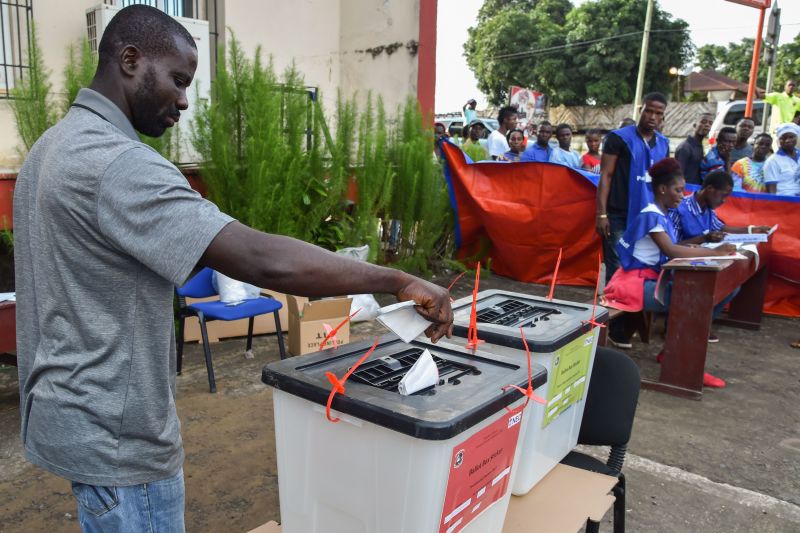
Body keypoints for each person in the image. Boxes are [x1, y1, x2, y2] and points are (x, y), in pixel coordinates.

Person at [12, 6, 454, 532]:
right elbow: (264, 260)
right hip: (119, 439)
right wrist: (396, 278)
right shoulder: (118, 163)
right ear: (130, 61)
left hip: (70, 411)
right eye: (178, 80)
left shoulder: (49, 148)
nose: (183, 99)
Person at [602, 158, 738, 387]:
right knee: (696, 302)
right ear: (662, 189)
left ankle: (675, 354)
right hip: (633, 285)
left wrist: (697, 248)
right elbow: (671, 249)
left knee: (700, 298)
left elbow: (675, 248)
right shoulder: (652, 215)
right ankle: (684, 364)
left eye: (682, 190)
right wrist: (719, 253)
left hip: (648, 280)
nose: (681, 195)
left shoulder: (662, 214)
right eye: (677, 190)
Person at [596, 92, 669, 348]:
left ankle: (626, 325)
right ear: (641, 109)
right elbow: (605, 176)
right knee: (617, 273)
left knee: (639, 273)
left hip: (646, 220)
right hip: (617, 216)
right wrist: (601, 213)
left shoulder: (663, 143)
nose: (653, 117)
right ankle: (613, 329)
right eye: (649, 111)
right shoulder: (619, 138)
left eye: (659, 113)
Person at [669, 170, 771, 246]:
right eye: (723, 195)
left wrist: (752, 230)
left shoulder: (708, 209)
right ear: (710, 189)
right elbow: (671, 247)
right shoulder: (678, 209)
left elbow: (721, 228)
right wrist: (704, 238)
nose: (724, 200)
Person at [674, 112, 713, 185]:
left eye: (710, 123)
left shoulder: (699, 146)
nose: (707, 125)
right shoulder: (685, 148)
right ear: (695, 125)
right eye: (703, 122)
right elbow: (678, 175)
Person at [764, 123, 800, 196]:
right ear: (778, 140)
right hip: (785, 201)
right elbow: (771, 191)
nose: (787, 140)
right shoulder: (773, 161)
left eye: (791, 137)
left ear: (796, 137)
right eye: (783, 138)